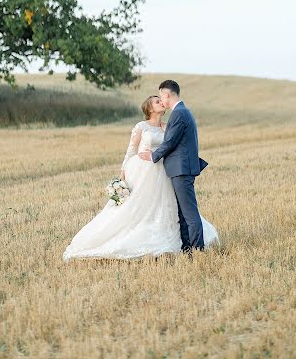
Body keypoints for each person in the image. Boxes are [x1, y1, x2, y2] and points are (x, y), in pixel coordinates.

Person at [63, 90, 218, 261]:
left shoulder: (167, 126)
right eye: (156, 101)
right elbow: (131, 150)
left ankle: (181, 242)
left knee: (168, 206)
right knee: (139, 206)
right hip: (143, 170)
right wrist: (123, 171)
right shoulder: (141, 127)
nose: (161, 102)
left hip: (163, 170)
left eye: (161, 100)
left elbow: (172, 145)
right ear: (149, 108)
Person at [139, 79, 209, 252]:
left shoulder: (179, 113)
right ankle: (187, 248)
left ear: (167, 94)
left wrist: (153, 155)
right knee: (183, 214)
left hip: (182, 169)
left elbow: (170, 142)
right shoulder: (184, 112)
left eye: (162, 96)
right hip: (181, 168)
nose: (162, 100)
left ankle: (197, 250)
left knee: (189, 214)